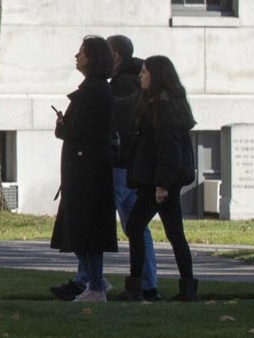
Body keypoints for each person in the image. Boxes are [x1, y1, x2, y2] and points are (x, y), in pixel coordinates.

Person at [49, 36, 120, 301]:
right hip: (83, 169)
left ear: (93, 58)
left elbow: (81, 130)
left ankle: (96, 283)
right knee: (80, 230)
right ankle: (92, 279)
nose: (77, 57)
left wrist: (64, 126)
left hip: (87, 172)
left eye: (82, 53)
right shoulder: (94, 90)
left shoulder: (95, 92)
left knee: (87, 230)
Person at [124, 56, 200, 301]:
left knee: (136, 226)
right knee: (175, 233)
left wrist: (162, 184)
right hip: (159, 180)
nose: (141, 76)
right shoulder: (162, 104)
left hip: (157, 182)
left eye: (145, 72)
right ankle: (187, 287)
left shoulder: (164, 108)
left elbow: (169, 150)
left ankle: (135, 287)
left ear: (155, 76)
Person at [105, 33, 158, 300]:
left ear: (115, 55)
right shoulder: (132, 81)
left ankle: (89, 279)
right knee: (137, 227)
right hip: (132, 167)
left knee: (99, 219)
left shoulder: (122, 83)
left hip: (120, 167)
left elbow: (122, 126)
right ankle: (147, 283)